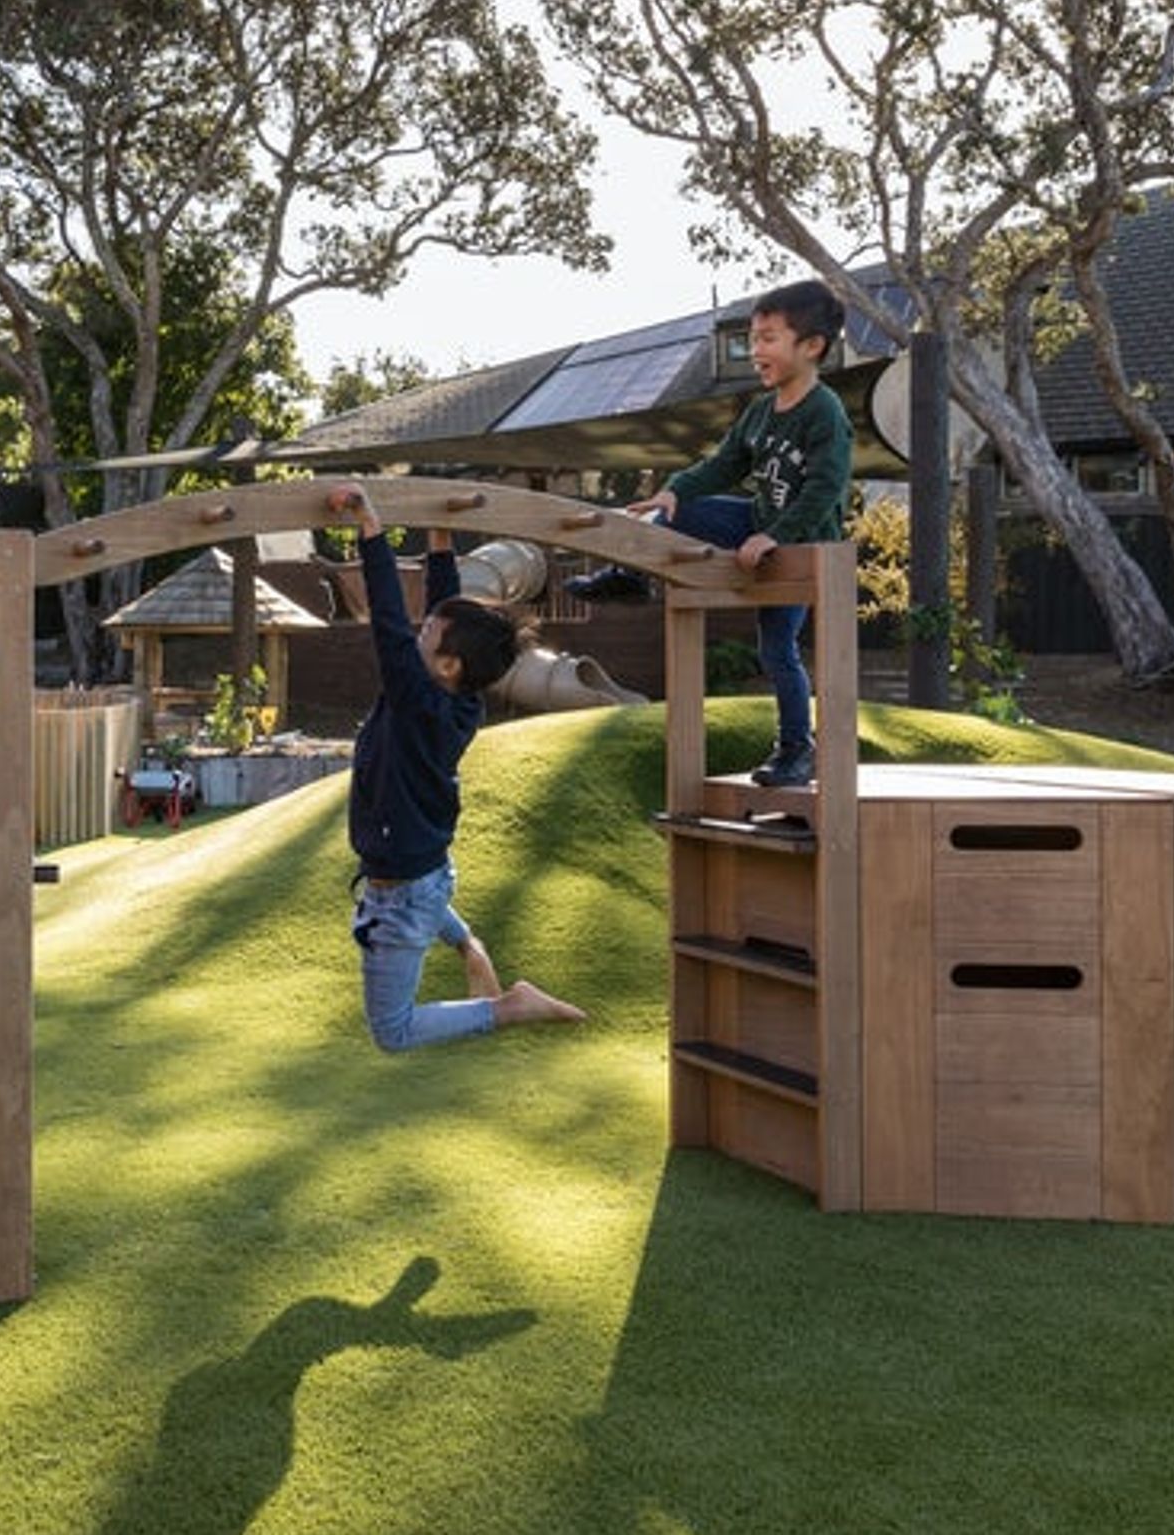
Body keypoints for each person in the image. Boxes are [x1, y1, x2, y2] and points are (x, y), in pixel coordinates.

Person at [329, 483, 585, 1051]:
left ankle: (508, 1008)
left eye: (427, 634)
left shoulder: (417, 701)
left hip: (403, 893)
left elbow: (389, 626)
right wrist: (440, 540)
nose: (417, 629)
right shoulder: (456, 696)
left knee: (392, 1034)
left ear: (446, 664)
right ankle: (469, 946)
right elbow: (440, 615)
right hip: (419, 875)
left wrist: (371, 531)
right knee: (424, 894)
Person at [573, 278, 855, 788]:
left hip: (806, 544)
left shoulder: (825, 412)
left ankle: (796, 749)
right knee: (683, 509)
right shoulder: (760, 412)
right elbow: (723, 464)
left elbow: (826, 489)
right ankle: (631, 575)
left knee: (777, 651)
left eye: (769, 338)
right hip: (758, 523)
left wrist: (778, 536)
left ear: (811, 346)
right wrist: (673, 492)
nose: (756, 351)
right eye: (753, 338)